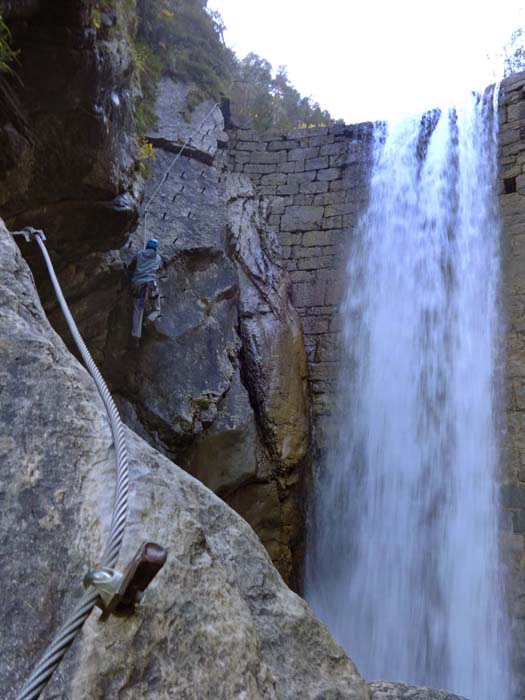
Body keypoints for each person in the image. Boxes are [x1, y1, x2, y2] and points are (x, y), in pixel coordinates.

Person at [128, 237, 162, 346]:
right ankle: (149, 319)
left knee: (138, 311)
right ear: (156, 249)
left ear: (147, 246)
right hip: (152, 286)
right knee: (157, 309)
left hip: (138, 286)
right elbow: (158, 269)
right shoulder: (158, 258)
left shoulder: (139, 255)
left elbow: (131, 268)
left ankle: (135, 337)